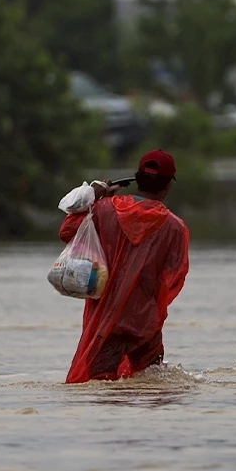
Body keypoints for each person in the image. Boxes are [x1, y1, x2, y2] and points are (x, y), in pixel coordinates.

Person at [57, 149, 190, 383]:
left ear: (136, 180)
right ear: (168, 186)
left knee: (100, 386)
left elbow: (66, 231)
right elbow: (175, 278)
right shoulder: (175, 228)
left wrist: (94, 197)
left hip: (105, 321)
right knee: (153, 385)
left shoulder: (103, 209)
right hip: (146, 323)